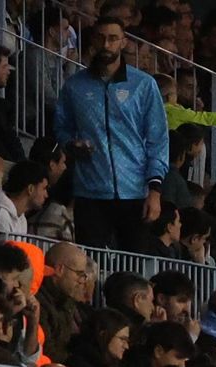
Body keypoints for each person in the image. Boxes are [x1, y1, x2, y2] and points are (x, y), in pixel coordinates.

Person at [53, 17, 168, 250]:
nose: (106, 44)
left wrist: (155, 189)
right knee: (92, 262)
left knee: (134, 263)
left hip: (134, 192)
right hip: (90, 191)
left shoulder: (143, 85)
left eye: (113, 38)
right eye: (101, 38)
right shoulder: (75, 86)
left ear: (123, 42)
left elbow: (158, 138)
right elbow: (61, 127)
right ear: (93, 40)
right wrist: (71, 144)